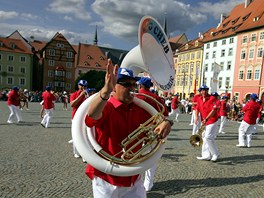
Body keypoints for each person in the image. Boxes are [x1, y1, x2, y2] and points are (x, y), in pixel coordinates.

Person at [84, 59, 172, 198]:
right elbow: (92, 116)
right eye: (126, 84)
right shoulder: (107, 107)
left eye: (133, 84)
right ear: (114, 87)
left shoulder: (140, 108)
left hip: (133, 178)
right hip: (106, 178)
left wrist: (167, 123)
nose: (132, 88)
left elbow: (160, 121)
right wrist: (105, 92)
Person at [136, 77, 169, 192]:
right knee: (151, 160)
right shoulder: (156, 98)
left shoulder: (135, 96)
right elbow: (165, 114)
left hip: (137, 132)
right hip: (153, 132)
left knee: (135, 159)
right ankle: (148, 184)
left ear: (140, 86)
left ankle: (135, 181)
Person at [195, 85, 220, 162]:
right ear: (200, 91)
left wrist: (206, 118)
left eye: (205, 90)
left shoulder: (212, 98)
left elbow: (214, 110)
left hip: (212, 120)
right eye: (202, 90)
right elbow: (197, 108)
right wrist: (196, 117)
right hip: (204, 121)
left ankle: (215, 153)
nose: (204, 92)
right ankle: (206, 155)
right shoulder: (199, 99)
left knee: (208, 137)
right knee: (204, 137)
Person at [69, 80, 88, 159]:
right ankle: (76, 152)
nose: (83, 87)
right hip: (75, 118)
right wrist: (80, 96)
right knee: (76, 136)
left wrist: (87, 96)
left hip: (84, 119)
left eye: (85, 86)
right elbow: (72, 104)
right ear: (78, 86)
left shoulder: (87, 95)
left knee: (85, 136)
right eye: (81, 85)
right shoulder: (74, 94)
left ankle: (84, 154)